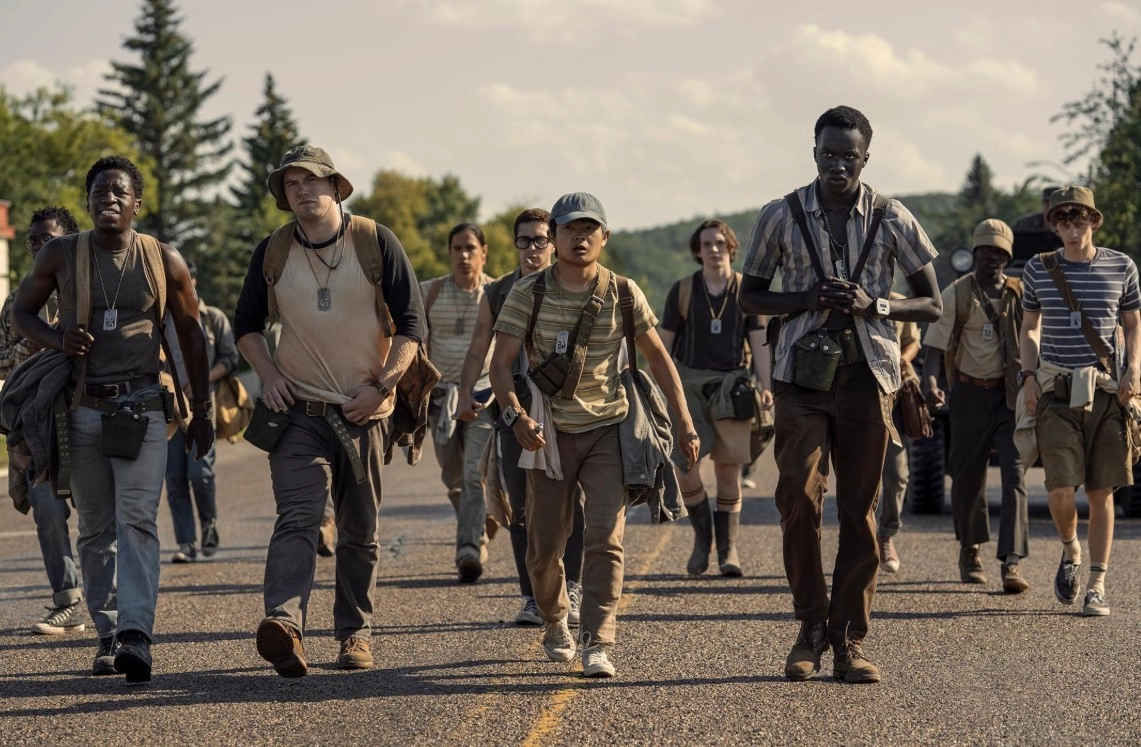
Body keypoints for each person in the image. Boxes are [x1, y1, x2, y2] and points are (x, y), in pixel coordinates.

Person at [739, 106, 941, 684]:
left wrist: (874, 304)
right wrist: (806, 298)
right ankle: (809, 627)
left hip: (867, 378)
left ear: (865, 158)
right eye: (828, 153)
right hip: (800, 377)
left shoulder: (892, 216)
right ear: (814, 152)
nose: (837, 164)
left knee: (860, 511)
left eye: (848, 156)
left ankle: (848, 640)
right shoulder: (780, 214)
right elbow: (751, 297)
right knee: (798, 499)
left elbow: (931, 304)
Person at [13, 156, 215, 684]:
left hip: (143, 406)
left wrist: (201, 411)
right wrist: (57, 339)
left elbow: (191, 334)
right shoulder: (61, 254)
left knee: (138, 520)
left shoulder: (163, 259)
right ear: (87, 202)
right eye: (99, 191)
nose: (109, 198)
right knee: (96, 526)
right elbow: (20, 312)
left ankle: (135, 634)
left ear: (136, 204)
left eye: (119, 192)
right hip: (83, 407)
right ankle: (106, 634)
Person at [490, 192, 699, 679]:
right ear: (554, 236)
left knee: (606, 538)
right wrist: (515, 416)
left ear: (605, 237)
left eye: (589, 229)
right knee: (544, 550)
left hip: (608, 430)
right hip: (547, 433)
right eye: (570, 229)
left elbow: (658, 358)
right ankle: (554, 618)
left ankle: (598, 641)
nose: (580, 238)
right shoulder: (528, 293)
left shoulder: (624, 292)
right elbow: (500, 364)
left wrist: (685, 421)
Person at [234, 145, 425, 676]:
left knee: (359, 530)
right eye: (291, 184)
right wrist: (270, 375)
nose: (302, 191)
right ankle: (284, 625)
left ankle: (355, 633)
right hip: (298, 411)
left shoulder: (375, 241)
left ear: (336, 186)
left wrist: (383, 387)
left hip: (363, 411)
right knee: (298, 516)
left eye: (311, 180)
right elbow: (246, 325)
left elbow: (412, 324)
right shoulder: (272, 251)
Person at [456, 208, 586, 624]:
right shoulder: (498, 293)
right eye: (524, 240)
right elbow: (479, 347)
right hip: (514, 408)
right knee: (521, 506)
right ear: (514, 244)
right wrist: (464, 393)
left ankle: (573, 587)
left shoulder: (572, 283)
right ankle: (532, 596)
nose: (532, 248)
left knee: (571, 503)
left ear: (554, 243)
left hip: (567, 409)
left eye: (540, 239)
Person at [1019, 185, 1139, 617]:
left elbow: (1133, 324)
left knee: (1102, 491)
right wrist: (1028, 377)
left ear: (1094, 221)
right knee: (1060, 491)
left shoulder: (1121, 266)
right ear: (1055, 226)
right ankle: (1071, 550)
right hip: (1056, 389)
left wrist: (1134, 371)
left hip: (1106, 390)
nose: (1073, 229)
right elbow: (1029, 327)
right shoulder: (1038, 268)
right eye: (1064, 221)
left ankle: (1097, 585)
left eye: (1080, 220)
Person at [657, 219, 772, 577]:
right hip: (687, 385)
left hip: (732, 386)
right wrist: (652, 388)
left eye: (720, 242)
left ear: (731, 248)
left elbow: (760, 343)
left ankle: (728, 550)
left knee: (728, 469)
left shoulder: (746, 291)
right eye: (707, 244)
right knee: (686, 468)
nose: (714, 249)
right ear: (698, 251)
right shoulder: (682, 290)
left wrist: (768, 385)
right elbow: (661, 346)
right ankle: (702, 538)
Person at [922, 219, 1029, 591]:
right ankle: (970, 550)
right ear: (975, 252)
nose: (992, 257)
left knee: (1015, 476)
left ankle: (1012, 561)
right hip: (969, 394)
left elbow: (1037, 338)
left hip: (1010, 396)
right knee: (968, 478)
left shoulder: (1021, 293)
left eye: (999, 251)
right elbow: (933, 349)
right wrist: (931, 382)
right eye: (986, 250)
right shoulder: (957, 293)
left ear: (1008, 256)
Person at [0, 206, 85, 635]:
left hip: (86, 414)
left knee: (99, 513)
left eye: (46, 239)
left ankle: (115, 603)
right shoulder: (18, 300)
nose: (37, 247)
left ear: (67, 241)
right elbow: (1, 362)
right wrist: (40, 341)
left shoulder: (88, 287)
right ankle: (67, 601)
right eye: (33, 240)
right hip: (36, 426)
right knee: (48, 512)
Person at [422, 223, 496, 583]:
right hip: (440, 402)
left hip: (483, 398)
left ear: (484, 253)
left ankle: (468, 549)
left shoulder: (496, 293)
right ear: (449, 252)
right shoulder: (430, 292)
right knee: (453, 478)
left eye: (470, 248)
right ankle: (481, 520)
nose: (464, 255)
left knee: (473, 474)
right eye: (457, 248)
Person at [164, 259, 240, 563]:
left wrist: (200, 378)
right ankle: (186, 543)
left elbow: (230, 360)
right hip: (169, 410)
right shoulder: (160, 318)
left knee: (200, 474)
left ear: (193, 281)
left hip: (202, 407)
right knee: (175, 479)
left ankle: (209, 525)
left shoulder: (213, 317)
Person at [876, 293, 920, 574]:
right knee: (855, 475)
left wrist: (903, 358)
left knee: (896, 474)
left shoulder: (901, 302)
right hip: (858, 395)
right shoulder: (852, 297)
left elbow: (913, 341)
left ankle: (886, 534)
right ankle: (857, 540)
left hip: (895, 399)